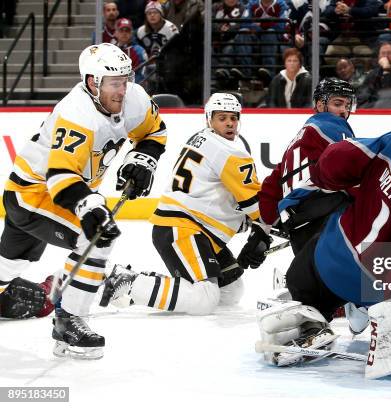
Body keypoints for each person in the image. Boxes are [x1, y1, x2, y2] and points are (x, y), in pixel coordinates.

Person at [0, 43, 167, 359]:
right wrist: (90, 207)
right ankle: (69, 319)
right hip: (34, 194)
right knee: (97, 237)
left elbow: (155, 132)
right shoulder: (76, 113)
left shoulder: (134, 99)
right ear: (93, 82)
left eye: (125, 79)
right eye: (114, 82)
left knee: (7, 266)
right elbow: (60, 178)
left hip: (43, 193)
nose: (123, 89)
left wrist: (144, 160)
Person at [257, 131, 391, 366]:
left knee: (316, 260)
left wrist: (325, 180)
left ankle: (311, 321)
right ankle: (361, 310)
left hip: (322, 259)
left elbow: (335, 160)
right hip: (365, 286)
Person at [99, 93, 270, 315]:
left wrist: (251, 226)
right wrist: (265, 230)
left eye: (233, 118)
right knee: (205, 298)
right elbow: (255, 204)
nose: (229, 123)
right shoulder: (230, 152)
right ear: (209, 119)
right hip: (183, 229)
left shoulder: (201, 138)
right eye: (222, 118)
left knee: (231, 291)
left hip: (198, 231)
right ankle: (131, 282)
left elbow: (215, 195)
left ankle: (149, 289)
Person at [258, 78, 357, 255]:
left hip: (296, 227)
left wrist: (262, 230)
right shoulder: (332, 126)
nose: (344, 110)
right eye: (337, 103)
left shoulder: (296, 141)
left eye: (347, 105)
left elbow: (270, 188)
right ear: (320, 105)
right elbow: (351, 171)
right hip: (324, 217)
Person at [357, 42, 391, 108]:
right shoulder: (373, 74)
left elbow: (389, 97)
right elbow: (362, 96)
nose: (386, 56)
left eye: (389, 53)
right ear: (379, 57)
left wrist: (386, 70)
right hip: (373, 110)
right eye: (383, 53)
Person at [114, 18, 148, 84]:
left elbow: (143, 73)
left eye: (127, 30)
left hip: (135, 87)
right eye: (121, 30)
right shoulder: (110, 51)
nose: (124, 33)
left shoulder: (139, 51)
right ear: (116, 33)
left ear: (131, 33)